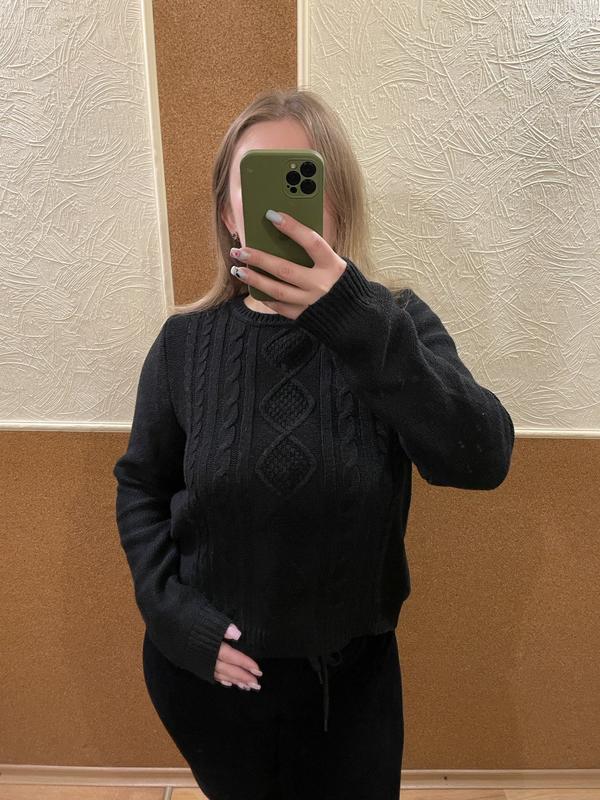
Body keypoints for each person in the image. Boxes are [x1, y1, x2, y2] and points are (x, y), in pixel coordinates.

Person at [113, 87, 515, 800]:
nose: (278, 208)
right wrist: (173, 617)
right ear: (228, 211)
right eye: (254, 182)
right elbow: (142, 487)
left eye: (301, 178)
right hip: (211, 678)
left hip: (350, 690)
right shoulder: (184, 343)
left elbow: (482, 458)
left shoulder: (393, 323)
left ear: (338, 200)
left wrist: (353, 319)